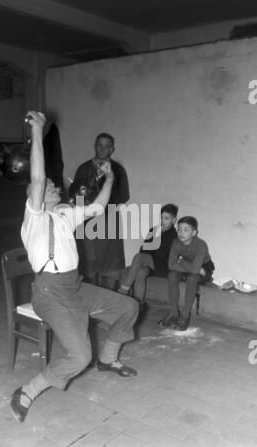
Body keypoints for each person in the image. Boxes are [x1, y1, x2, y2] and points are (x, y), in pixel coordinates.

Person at [10, 112, 139, 424]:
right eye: (46, 187)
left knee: (128, 307)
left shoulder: (65, 214)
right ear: (33, 198)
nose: (52, 186)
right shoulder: (34, 219)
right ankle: (28, 390)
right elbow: (38, 179)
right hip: (50, 294)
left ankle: (109, 359)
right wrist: (38, 132)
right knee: (80, 357)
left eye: (54, 185)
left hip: (75, 287)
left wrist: (109, 178)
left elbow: (98, 207)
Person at [72, 133, 129, 286]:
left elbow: (123, 196)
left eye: (106, 146)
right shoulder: (83, 169)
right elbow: (77, 196)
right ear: (95, 146)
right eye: (99, 144)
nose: (102, 148)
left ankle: (109, 298)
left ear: (112, 149)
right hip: (86, 220)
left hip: (109, 219)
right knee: (88, 262)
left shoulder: (117, 170)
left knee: (110, 263)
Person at [159, 216, 215, 331]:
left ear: (194, 232)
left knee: (192, 278)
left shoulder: (201, 245)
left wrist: (182, 262)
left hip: (204, 269)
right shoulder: (175, 242)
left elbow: (195, 271)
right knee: (172, 275)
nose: (181, 233)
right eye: (179, 229)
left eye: (186, 230)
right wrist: (187, 264)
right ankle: (173, 313)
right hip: (190, 267)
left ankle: (184, 316)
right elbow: (171, 265)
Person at [118, 204, 178, 308]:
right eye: (162, 218)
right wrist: (152, 249)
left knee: (139, 257)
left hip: (162, 266)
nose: (163, 221)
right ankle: (138, 304)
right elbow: (143, 247)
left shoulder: (173, 235)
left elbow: (162, 253)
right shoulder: (153, 230)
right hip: (149, 263)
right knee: (140, 272)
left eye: (167, 218)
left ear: (174, 220)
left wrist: (152, 248)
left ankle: (124, 289)